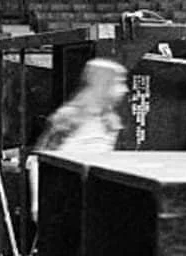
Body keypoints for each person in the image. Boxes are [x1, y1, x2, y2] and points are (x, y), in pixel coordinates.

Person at [27, 58, 129, 222]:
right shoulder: (68, 118)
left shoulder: (111, 122)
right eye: (118, 83)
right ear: (102, 84)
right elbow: (37, 161)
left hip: (93, 204)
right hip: (63, 204)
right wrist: (37, 203)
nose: (124, 89)